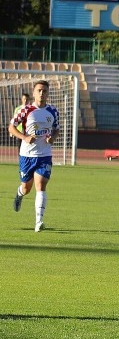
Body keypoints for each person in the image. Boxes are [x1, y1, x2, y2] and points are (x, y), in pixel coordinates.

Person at [9, 81, 59, 232]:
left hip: (44, 155)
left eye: (44, 91)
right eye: (39, 91)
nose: (42, 93)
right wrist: (24, 138)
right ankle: (19, 194)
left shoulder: (53, 111)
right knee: (26, 187)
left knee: (41, 185)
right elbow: (11, 127)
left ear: (48, 93)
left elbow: (56, 129)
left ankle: (39, 221)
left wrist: (53, 138)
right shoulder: (25, 110)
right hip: (27, 155)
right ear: (34, 92)